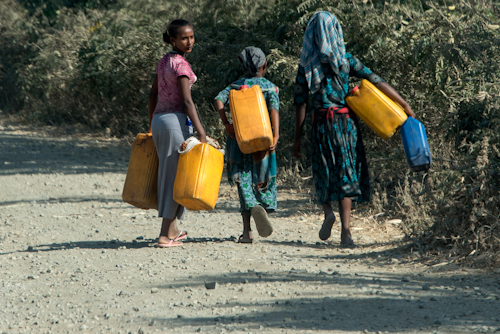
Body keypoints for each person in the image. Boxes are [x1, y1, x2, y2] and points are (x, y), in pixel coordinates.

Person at [292, 12, 415, 246]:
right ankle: (346, 231)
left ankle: (328, 212)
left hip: (321, 123)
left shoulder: (306, 65)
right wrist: (403, 103)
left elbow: (301, 103)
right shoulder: (345, 60)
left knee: (323, 170)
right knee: (345, 171)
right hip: (345, 124)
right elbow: (376, 79)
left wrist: (297, 139)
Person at [148, 19, 207, 248]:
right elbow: (186, 101)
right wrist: (202, 132)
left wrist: (152, 124)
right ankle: (164, 235)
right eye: (184, 38)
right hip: (175, 124)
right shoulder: (181, 65)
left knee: (170, 176)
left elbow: (152, 95)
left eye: (192, 37)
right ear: (173, 39)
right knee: (173, 180)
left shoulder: (164, 62)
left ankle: (173, 230)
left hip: (161, 122)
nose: (190, 41)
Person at [214, 46, 280, 243]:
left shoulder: (235, 86)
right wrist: (275, 136)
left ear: (244, 66)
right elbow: (274, 110)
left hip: (239, 141)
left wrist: (227, 124)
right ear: (264, 65)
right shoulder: (270, 87)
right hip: (263, 140)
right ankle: (261, 204)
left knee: (242, 180)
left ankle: (247, 231)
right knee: (262, 178)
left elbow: (218, 100)